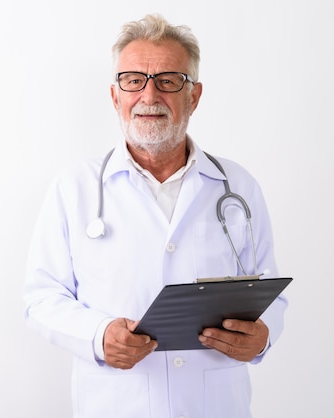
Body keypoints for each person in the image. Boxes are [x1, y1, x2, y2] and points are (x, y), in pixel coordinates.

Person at [22, 13, 288, 418]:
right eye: (133, 80)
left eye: (168, 80)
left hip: (216, 405)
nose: (149, 95)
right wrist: (97, 335)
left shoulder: (238, 185)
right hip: (116, 403)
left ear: (193, 96)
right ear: (116, 96)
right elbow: (41, 298)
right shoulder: (73, 188)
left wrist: (262, 338)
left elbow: (270, 289)